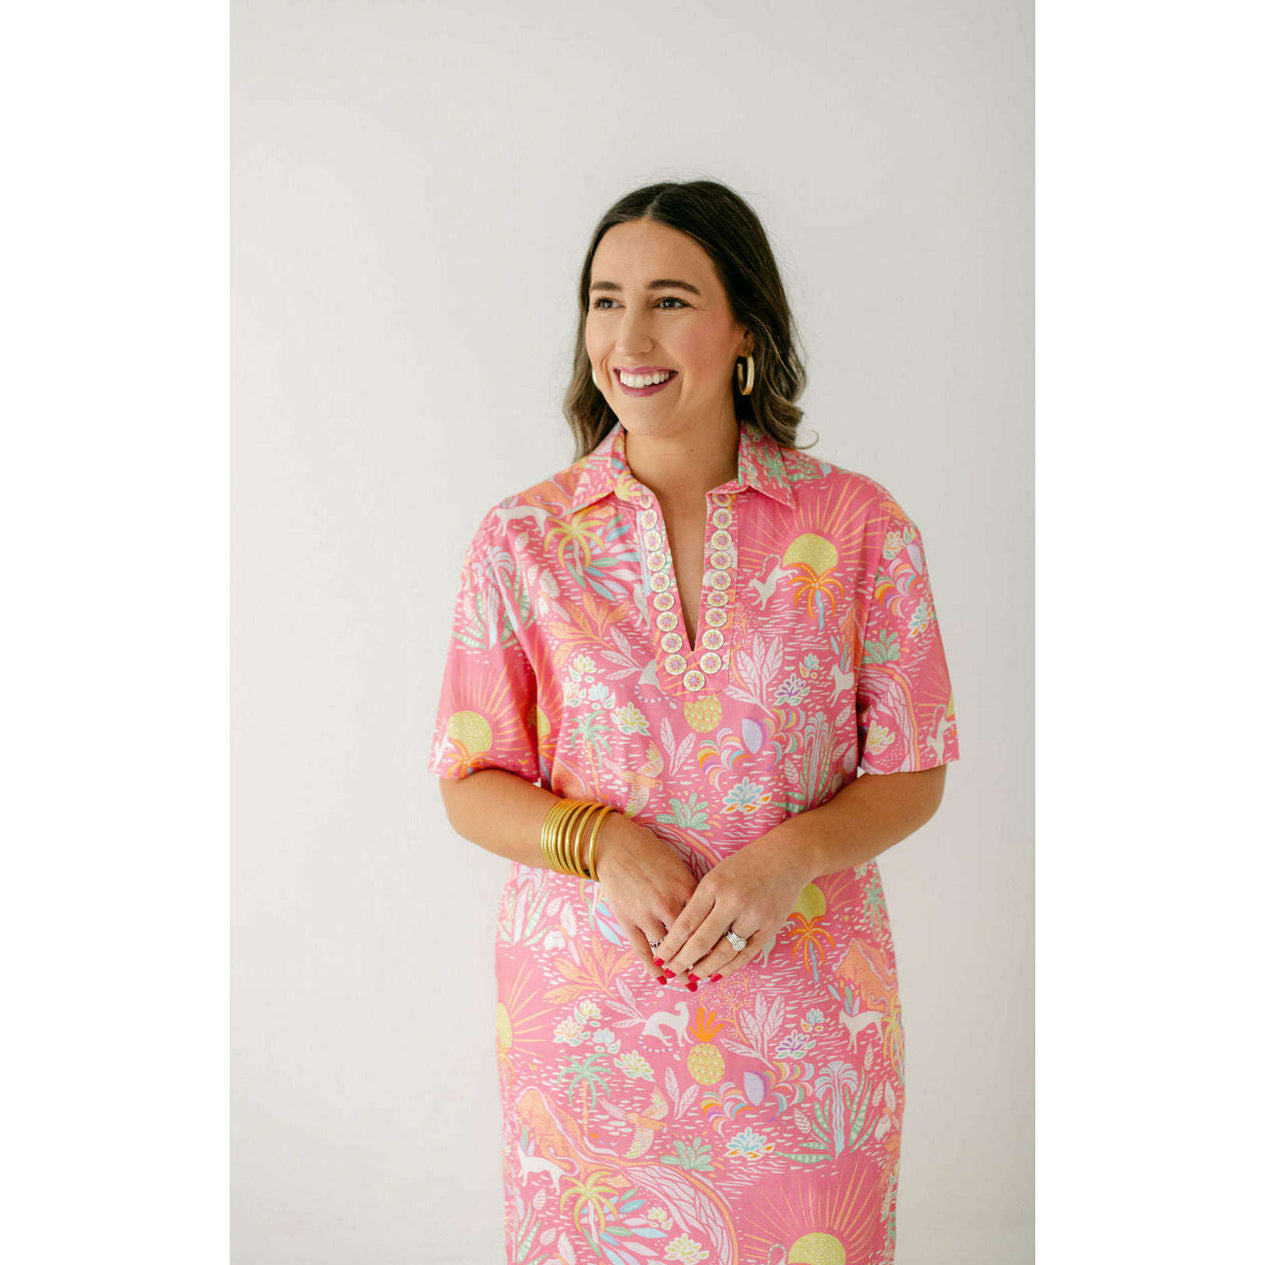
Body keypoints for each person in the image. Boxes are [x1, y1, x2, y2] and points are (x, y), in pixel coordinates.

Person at [429, 180, 959, 1264]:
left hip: (805, 1029)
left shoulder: (858, 525)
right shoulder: (523, 539)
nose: (628, 337)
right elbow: (468, 780)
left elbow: (913, 767)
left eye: (669, 300)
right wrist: (600, 840)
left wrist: (787, 859)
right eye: (604, 300)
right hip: (591, 1039)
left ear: (744, 329)